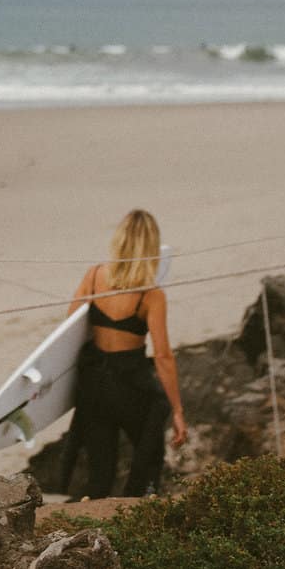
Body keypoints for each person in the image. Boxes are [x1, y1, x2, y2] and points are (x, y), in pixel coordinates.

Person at [68, 209, 187, 498]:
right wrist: (178, 411)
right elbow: (162, 356)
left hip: (94, 384)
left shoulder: (94, 275)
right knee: (149, 458)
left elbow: (70, 329)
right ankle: (140, 508)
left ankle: (90, 528)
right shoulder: (151, 294)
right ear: (151, 248)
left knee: (100, 472)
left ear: (119, 241)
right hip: (131, 386)